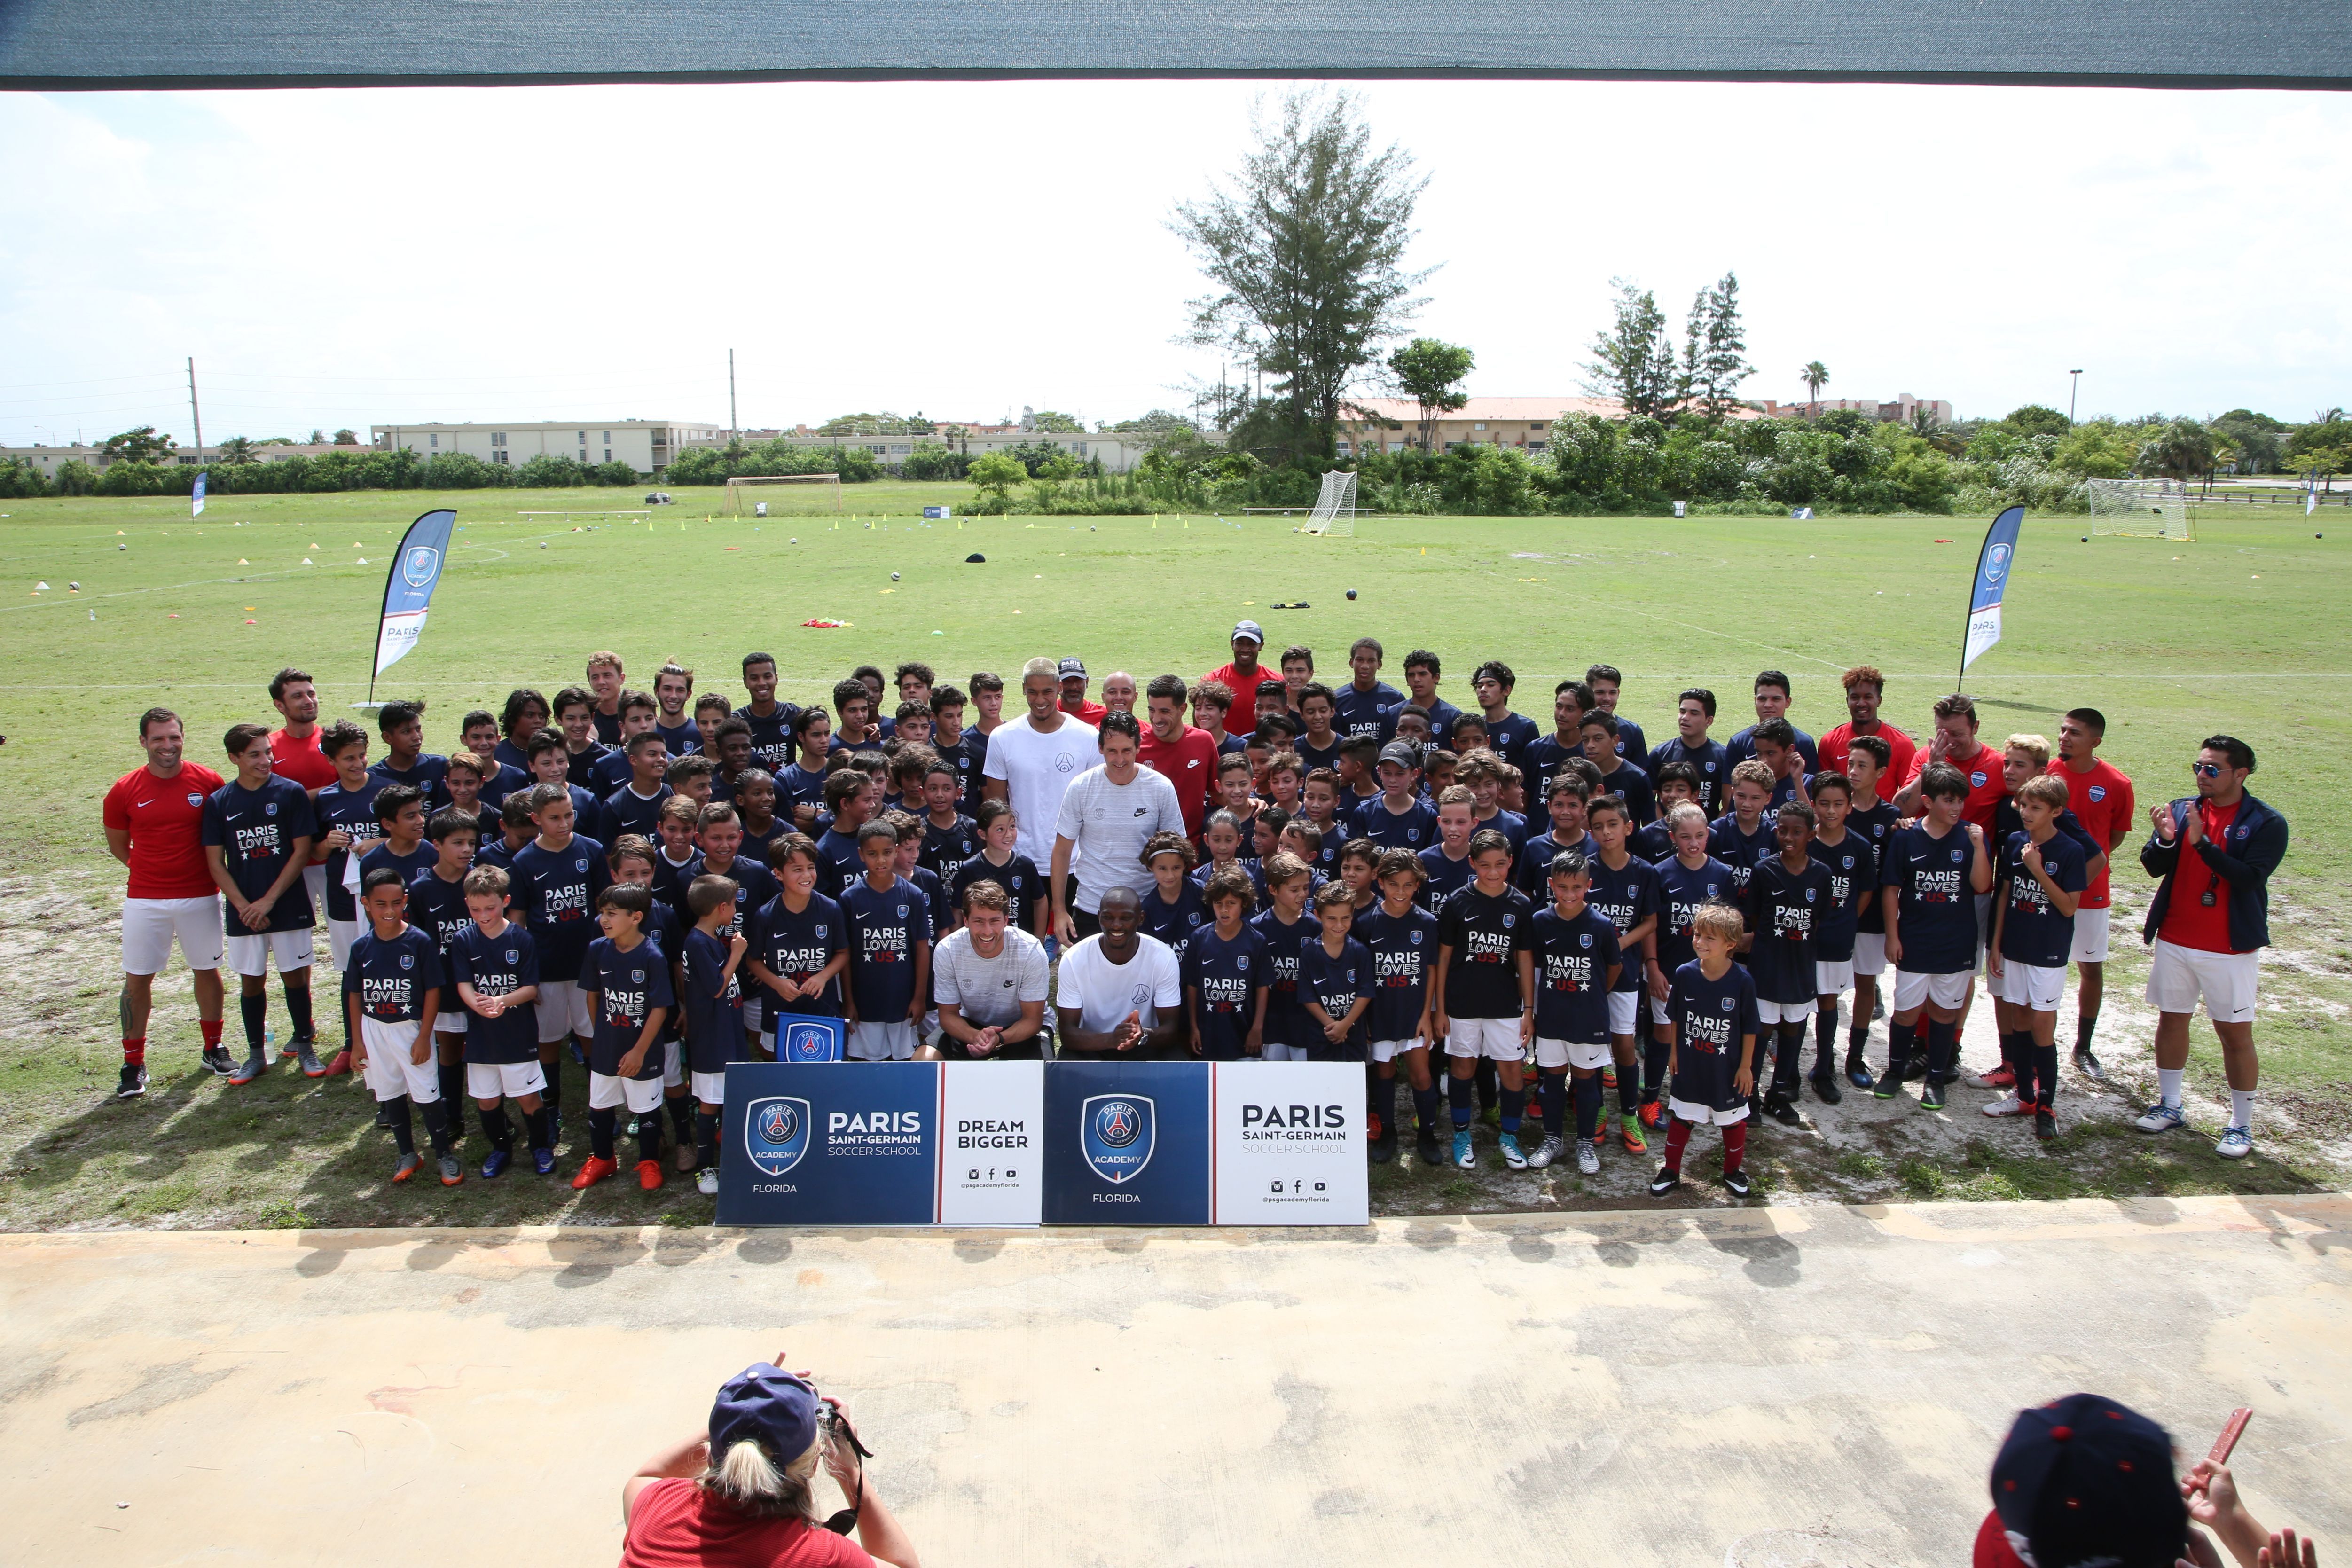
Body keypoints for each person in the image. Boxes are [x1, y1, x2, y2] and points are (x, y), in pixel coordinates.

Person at [2134, 735, 2288, 1160]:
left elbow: (2249, 878)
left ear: (2241, 773)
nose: (2203, 776)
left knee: (2234, 1034)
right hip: (2177, 939)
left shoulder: (2267, 823)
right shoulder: (2183, 809)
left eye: (2213, 769)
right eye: (2198, 767)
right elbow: (2153, 867)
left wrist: (2202, 844)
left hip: (2229, 949)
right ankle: (2170, 1104)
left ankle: (2241, 1125)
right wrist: (2167, 840)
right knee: (2172, 1019)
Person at [617, 1358, 919, 1568]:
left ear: (710, 1454)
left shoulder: (657, 1505)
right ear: (815, 1464)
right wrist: (850, 1473)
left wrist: (742, 1407)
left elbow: (647, 1476)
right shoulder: (820, 1556)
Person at [105, 707, 228, 1093]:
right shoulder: (124, 789)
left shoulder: (208, 781)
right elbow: (119, 846)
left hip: (200, 896)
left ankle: (213, 1048)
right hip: (145, 900)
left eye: (173, 737)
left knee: (207, 972)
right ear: (143, 742)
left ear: (183, 737)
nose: (167, 745)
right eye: (158, 739)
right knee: (137, 980)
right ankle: (133, 1063)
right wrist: (152, 873)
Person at [203, 722, 321, 1084]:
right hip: (245, 911)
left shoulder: (291, 793)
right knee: (251, 981)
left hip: (285, 904)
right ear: (234, 757)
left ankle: (306, 1047)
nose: (265, 759)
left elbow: (301, 851)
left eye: (268, 751)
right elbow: (214, 863)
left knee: (295, 978)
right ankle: (256, 1054)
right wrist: (243, 906)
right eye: (255, 754)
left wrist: (269, 901)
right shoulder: (219, 802)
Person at [1879, 762, 1993, 1110]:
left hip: (1956, 943)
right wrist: (1892, 937)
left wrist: (1979, 848)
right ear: (1928, 802)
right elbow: (1891, 891)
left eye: (1960, 800)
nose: (1957, 808)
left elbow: (1981, 885)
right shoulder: (1906, 836)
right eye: (1948, 800)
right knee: (1906, 1012)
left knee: (1945, 1013)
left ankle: (1936, 1078)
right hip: (1915, 939)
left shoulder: (1971, 837)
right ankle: (1895, 1072)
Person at [1985, 774, 2087, 1140]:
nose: (2026, 813)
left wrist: (2038, 871)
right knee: (2020, 1019)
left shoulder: (2070, 851)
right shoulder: (2014, 842)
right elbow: (2004, 895)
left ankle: (2046, 1105)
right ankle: (2024, 1096)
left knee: (2043, 1027)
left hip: (2048, 951)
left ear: (2057, 811)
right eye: (2023, 805)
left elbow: (2068, 906)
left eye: (2036, 808)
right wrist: (1996, 944)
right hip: (2014, 946)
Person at [509, 781, 612, 1132]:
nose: (564, 823)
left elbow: (605, 908)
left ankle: (602, 1108)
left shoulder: (592, 850)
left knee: (592, 1038)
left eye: (569, 815)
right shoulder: (524, 861)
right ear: (536, 818)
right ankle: (550, 1110)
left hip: (587, 967)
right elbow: (518, 920)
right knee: (547, 1041)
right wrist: (525, 974)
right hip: (546, 968)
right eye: (555, 818)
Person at [346, 867, 459, 1184]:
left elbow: (434, 990)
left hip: (411, 1030)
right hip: (375, 1029)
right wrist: (357, 1042)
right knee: (390, 1092)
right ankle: (408, 1153)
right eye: (381, 904)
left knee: (426, 1095)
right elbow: (354, 996)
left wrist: (425, 1036)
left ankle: (445, 1155)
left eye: (396, 903)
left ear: (405, 902)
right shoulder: (360, 948)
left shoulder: (419, 942)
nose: (389, 911)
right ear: (366, 903)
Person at [1435, 828, 1536, 1170]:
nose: (1493, 872)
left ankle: (1509, 1136)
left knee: (1511, 1070)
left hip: (1505, 1004)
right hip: (1462, 1003)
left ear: (1510, 863)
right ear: (1472, 864)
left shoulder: (1521, 905)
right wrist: (1441, 1008)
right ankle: (1462, 1134)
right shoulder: (1457, 902)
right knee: (1463, 1067)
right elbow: (1444, 959)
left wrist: (1529, 1010)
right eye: (1485, 865)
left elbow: (1525, 959)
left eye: (1501, 864)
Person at [448, 863, 551, 1176]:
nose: (483, 915)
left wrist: (501, 1001)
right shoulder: (464, 940)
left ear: (505, 901)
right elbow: (463, 984)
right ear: (467, 903)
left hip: (517, 1034)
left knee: (527, 1097)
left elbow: (531, 988)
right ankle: (501, 1148)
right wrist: (478, 1006)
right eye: (476, 908)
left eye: (490, 908)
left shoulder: (521, 940)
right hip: (482, 1036)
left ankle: (540, 1147)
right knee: (487, 1100)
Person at [2049, 706, 2135, 1079]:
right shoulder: (2047, 774)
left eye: (2075, 733)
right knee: (2045, 966)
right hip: (2046, 885)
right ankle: (2038, 1043)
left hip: (2092, 890)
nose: (2065, 738)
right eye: (2063, 731)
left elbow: (2114, 836)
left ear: (2095, 741)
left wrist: (2085, 869)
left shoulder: (2117, 783)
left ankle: (2083, 1046)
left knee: (2090, 967)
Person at [1650, 902, 1758, 1199]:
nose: (1700, 941)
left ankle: (1733, 1171)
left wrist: (1746, 1066)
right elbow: (1676, 1017)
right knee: (1683, 1117)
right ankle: (1671, 1170)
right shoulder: (1685, 974)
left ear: (1731, 944)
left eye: (1710, 937)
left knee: (1733, 1120)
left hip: (1727, 1069)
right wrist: (1674, 1053)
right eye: (1698, 934)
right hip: (1691, 1063)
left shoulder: (1743, 982)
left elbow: (1750, 1028)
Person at [1049, 710, 1185, 943]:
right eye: (1112, 751)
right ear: (1100, 748)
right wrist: (1060, 911)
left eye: (1126, 751)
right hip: (1093, 907)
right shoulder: (1081, 787)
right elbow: (1062, 851)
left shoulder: (1160, 788)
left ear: (1139, 748)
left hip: (1147, 906)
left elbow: (1176, 851)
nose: (1119, 760)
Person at [573, 882, 674, 1191]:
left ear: (636, 917)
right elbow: (592, 995)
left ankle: (648, 1162)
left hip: (640, 1050)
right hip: (607, 1045)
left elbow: (659, 1009)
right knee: (600, 1104)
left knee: (646, 1107)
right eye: (603, 913)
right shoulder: (597, 949)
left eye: (612, 914)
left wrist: (639, 1051)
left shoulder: (652, 957)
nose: (604, 920)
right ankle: (603, 1158)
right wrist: (600, 1032)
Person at [1529, 848, 1623, 1176]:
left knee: (1586, 1080)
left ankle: (1584, 1142)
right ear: (1552, 884)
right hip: (1553, 1016)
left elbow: (1613, 968)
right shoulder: (1540, 921)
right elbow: (1536, 966)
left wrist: (1595, 994)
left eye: (1577, 888)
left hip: (1588, 1017)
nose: (1570, 895)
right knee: (1551, 1081)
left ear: (1588, 886)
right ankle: (1553, 1140)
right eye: (1563, 888)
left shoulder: (1600, 925)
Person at [1741, 801, 1835, 1124]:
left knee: (1793, 1028)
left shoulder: (1822, 875)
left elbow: (1818, 921)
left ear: (1812, 833)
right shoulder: (1764, 871)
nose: (1789, 837)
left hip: (1801, 966)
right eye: (1783, 831)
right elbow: (1755, 918)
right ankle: (1749, 1095)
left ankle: (1778, 1094)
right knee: (1762, 1030)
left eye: (1798, 831)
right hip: (1768, 964)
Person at [982, 657, 1098, 873]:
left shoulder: (1088, 736)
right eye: (1033, 692)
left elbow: (1095, 802)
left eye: (1047, 692)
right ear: (1024, 689)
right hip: (1020, 859)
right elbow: (996, 804)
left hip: (1076, 862)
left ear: (1059, 688)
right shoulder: (1002, 737)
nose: (1040, 700)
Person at [1803, 773, 1878, 1093]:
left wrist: (1846, 919)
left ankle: (1828, 1066)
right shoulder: (1804, 842)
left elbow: (1865, 892)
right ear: (1813, 805)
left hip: (1837, 938)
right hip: (1801, 937)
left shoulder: (1859, 848)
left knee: (1828, 1000)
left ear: (1849, 806)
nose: (1831, 811)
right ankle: (1790, 1071)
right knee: (1796, 1003)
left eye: (1838, 804)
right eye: (1824, 804)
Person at [922, 881, 1051, 1062]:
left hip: (1022, 1027)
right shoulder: (948, 949)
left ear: (1006, 920)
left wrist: (998, 1039)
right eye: (979, 921)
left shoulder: (1030, 950)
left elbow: (1032, 1020)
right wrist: (976, 1037)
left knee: (1040, 1075)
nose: (987, 931)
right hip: (971, 1023)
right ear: (966, 920)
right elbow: (948, 1015)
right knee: (923, 1060)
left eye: (994, 921)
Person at [681, 873, 751, 1194]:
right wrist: (736, 955)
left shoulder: (709, 940)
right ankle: (705, 1167)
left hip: (728, 1034)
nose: (736, 909)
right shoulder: (697, 943)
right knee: (709, 1104)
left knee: (729, 1100)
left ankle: (733, 1161)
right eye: (733, 904)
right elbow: (716, 988)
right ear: (721, 908)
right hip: (712, 1041)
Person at [1056, 886, 1183, 1058]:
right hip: (1093, 1045)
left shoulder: (1163, 957)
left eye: (1126, 918)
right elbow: (1068, 1035)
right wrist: (1111, 1040)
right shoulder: (1074, 959)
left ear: (1141, 918)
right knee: (1065, 1064)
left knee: (1177, 1059)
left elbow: (1171, 1030)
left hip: (1144, 1044)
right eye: (1108, 917)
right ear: (1099, 917)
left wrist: (1142, 1034)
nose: (1116, 925)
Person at [840, 822, 931, 1061]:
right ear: (861, 854)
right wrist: (848, 1001)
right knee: (866, 1064)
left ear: (897, 850)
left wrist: (919, 997)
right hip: (865, 1002)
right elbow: (845, 954)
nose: (881, 860)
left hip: (903, 999)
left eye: (887, 853)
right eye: (872, 854)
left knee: (904, 1063)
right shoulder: (849, 899)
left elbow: (922, 948)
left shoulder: (912, 896)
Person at [747, 834, 848, 1042]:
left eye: (810, 867)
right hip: (780, 1008)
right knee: (781, 1068)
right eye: (797, 869)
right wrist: (776, 983)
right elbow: (753, 960)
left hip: (822, 1008)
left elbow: (843, 953)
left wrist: (822, 976)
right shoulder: (766, 915)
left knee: (822, 1068)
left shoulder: (831, 909)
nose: (807, 875)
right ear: (778, 874)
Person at [265, 667, 337, 917]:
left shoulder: (334, 741)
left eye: (311, 694)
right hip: (289, 861)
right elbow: (269, 803)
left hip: (334, 856)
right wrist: (327, 791)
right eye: (298, 696)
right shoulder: (268, 748)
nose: (308, 701)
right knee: (294, 942)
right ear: (280, 705)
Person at [1184, 867, 1269, 1063]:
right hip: (1208, 1037)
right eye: (1218, 903)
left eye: (1231, 903)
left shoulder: (1256, 941)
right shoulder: (1199, 939)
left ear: (1244, 903)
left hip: (1244, 1037)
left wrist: (1257, 1029)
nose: (1224, 910)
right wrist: (1194, 1028)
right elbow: (1193, 986)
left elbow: (1262, 988)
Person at [1893, 692, 2007, 830]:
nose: (1950, 742)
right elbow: (1901, 811)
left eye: (1956, 734)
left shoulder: (1999, 764)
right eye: (1942, 733)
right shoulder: (1925, 756)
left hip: (1974, 850)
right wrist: (1932, 767)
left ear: (1975, 727)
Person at [951, 800, 1049, 942]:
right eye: (1000, 830)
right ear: (983, 834)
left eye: (1012, 827)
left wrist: (1039, 938)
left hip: (1019, 944)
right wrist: (957, 943)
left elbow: (1040, 901)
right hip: (983, 944)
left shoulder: (1025, 866)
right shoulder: (970, 868)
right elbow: (958, 909)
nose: (1009, 834)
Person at [1817, 664, 1914, 804]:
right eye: (1855, 697)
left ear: (1879, 701)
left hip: (1884, 823)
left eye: (1868, 697)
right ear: (1847, 701)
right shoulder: (1830, 741)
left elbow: (1908, 793)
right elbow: (1824, 789)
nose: (1861, 703)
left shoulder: (1902, 744)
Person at [1137, 674, 1219, 838]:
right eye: (1152, 710)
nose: (1156, 719)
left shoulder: (1203, 741)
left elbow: (1218, 792)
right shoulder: (1137, 747)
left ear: (1182, 709)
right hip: (1149, 850)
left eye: (1165, 711)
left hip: (1193, 847)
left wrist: (1249, 802)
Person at [1646, 689, 1729, 817]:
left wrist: (1713, 833)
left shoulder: (1723, 756)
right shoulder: (1661, 754)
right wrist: (1662, 828)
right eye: (1682, 712)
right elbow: (1649, 799)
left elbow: (1729, 803)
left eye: (1694, 713)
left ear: (1709, 721)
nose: (1685, 718)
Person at [1722, 669, 1819, 774]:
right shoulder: (1739, 743)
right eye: (1762, 699)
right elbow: (1728, 789)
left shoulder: (1804, 743)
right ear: (1755, 701)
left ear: (1788, 702)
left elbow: (1812, 787)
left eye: (1776, 699)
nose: (1768, 705)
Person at [1202, 619, 1285, 723]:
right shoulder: (1213, 681)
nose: (1245, 649)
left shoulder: (1277, 681)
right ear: (1232, 644)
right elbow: (1201, 719)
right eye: (1240, 644)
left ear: (1261, 646)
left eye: (1252, 644)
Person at [1467, 660, 1537, 776]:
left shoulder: (1525, 727)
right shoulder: (1475, 727)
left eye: (1491, 685)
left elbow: (1531, 774)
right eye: (1480, 686)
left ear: (1506, 690)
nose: (1483, 690)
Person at [1387, 648, 1463, 750]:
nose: (1416, 679)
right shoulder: (1392, 714)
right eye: (1411, 675)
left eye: (1423, 674)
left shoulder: (1453, 716)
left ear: (1436, 678)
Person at [738, 652, 799, 773]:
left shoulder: (793, 715)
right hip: (751, 790)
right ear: (746, 682)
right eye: (754, 678)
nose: (762, 683)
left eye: (767, 676)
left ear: (776, 678)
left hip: (786, 790)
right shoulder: (737, 722)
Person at [1582, 663, 1646, 765]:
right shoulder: (1575, 730)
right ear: (1588, 693)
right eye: (1600, 693)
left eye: (1612, 693)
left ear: (1618, 693)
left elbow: (1640, 774)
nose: (1607, 699)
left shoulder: (1632, 731)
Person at [651, 660, 701, 758]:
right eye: (667, 689)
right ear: (657, 692)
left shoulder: (701, 733)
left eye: (680, 690)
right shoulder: (648, 733)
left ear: (688, 694)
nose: (673, 696)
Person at [1055, 657, 1107, 725]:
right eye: (1066, 682)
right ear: (1057, 685)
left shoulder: (1104, 715)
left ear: (1087, 682)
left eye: (1078, 681)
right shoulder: (1047, 712)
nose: (1073, 687)